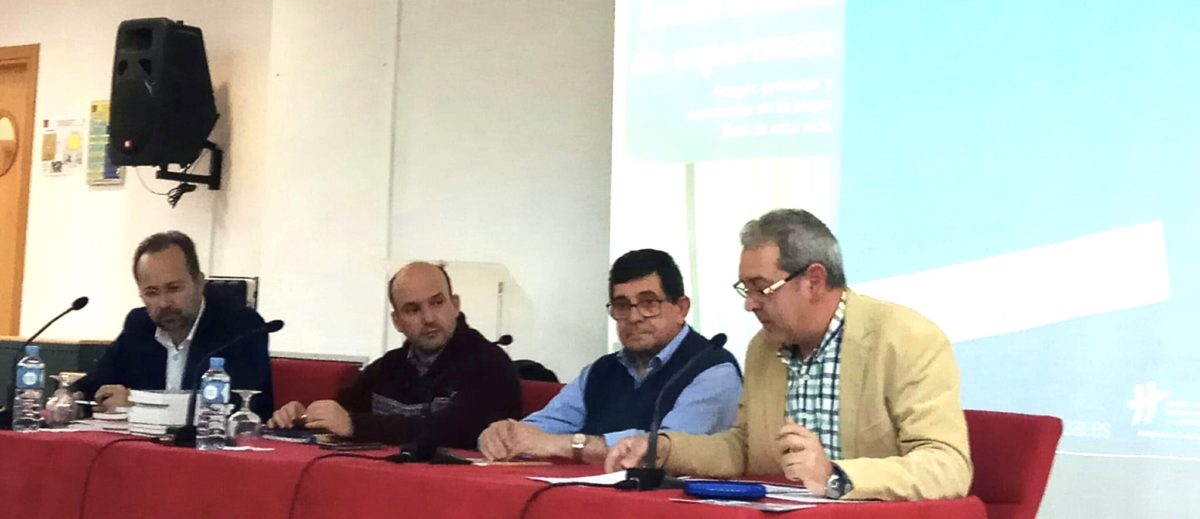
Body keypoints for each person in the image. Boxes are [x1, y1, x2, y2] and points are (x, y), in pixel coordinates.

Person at [605, 209, 972, 501]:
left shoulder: (905, 338)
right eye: (745, 290)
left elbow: (947, 465)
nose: (750, 304)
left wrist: (835, 475)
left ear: (813, 280)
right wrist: (663, 449)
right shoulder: (763, 348)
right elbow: (743, 449)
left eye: (761, 288)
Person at [479, 249, 741, 464]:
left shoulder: (714, 370)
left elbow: (664, 450)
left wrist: (566, 445)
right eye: (622, 305)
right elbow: (544, 427)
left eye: (649, 303)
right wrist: (503, 434)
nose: (634, 317)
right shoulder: (600, 371)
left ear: (681, 308)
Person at [269, 262, 520, 447]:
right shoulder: (387, 367)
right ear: (397, 321)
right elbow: (340, 413)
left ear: (455, 305)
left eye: (437, 302)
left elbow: (458, 431)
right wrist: (302, 417)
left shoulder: (490, 364)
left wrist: (355, 425)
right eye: (413, 309)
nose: (429, 318)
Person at [72, 231, 274, 418]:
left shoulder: (241, 327)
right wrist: (71, 399)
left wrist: (136, 405)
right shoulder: (139, 325)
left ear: (199, 282)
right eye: (151, 292)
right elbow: (92, 385)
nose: (164, 303)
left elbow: (237, 406)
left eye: (174, 288)